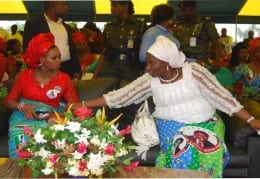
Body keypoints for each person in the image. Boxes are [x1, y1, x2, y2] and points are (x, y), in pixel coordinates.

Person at [71, 35, 260, 177]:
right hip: (172, 126)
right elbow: (120, 97)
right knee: (184, 148)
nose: (148, 68)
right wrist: (84, 103)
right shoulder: (150, 80)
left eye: (152, 63)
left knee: (210, 147)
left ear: (167, 63)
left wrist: (251, 120)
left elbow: (221, 97)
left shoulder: (194, 72)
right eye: (147, 63)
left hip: (206, 123)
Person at [5, 33, 80, 158]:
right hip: (23, 118)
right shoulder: (24, 75)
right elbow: (8, 102)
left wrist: (54, 115)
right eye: (54, 58)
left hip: (50, 118)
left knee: (55, 146)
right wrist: (23, 107)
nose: (59, 61)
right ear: (41, 60)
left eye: (59, 57)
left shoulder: (64, 79)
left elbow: (74, 106)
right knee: (22, 150)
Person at [23, 0, 81, 80]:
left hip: (67, 70)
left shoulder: (66, 27)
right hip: (45, 71)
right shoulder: (34, 23)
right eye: (63, 4)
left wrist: (77, 70)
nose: (67, 8)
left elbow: (72, 51)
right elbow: (27, 50)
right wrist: (36, 72)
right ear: (52, 4)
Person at [94, 0, 147, 87]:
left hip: (130, 69)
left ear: (125, 6)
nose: (111, 9)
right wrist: (96, 74)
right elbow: (103, 52)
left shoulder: (139, 25)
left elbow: (144, 52)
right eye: (111, 6)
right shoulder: (109, 26)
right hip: (109, 69)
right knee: (105, 95)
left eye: (114, 6)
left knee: (128, 97)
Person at [173, 0, 222, 73]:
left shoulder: (205, 24)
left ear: (193, 10)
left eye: (185, 10)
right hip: (183, 62)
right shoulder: (179, 25)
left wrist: (217, 62)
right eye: (181, 11)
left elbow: (217, 45)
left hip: (200, 63)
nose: (182, 13)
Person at [233, 37, 260, 101]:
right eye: (259, 51)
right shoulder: (242, 68)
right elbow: (234, 88)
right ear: (253, 52)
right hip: (249, 105)